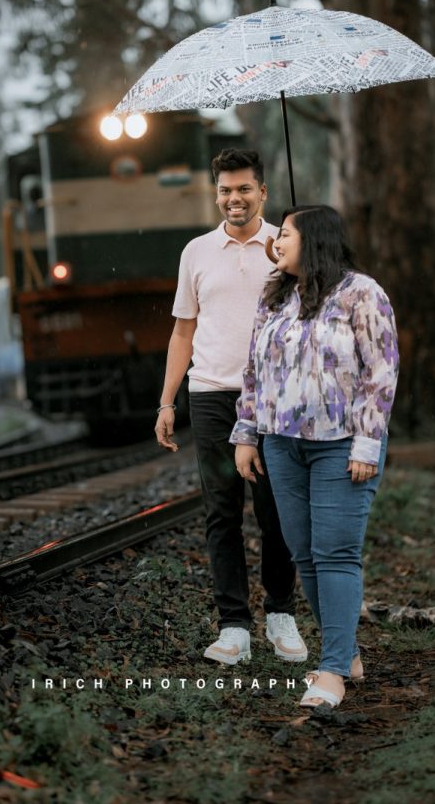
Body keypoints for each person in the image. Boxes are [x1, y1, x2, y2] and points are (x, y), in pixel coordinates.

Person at [232, 205, 399, 707]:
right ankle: (343, 652)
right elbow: (254, 369)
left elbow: (381, 371)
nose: (275, 242)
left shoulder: (361, 293)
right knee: (303, 553)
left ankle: (331, 672)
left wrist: (367, 444)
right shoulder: (275, 293)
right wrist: (246, 432)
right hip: (281, 443)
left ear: (315, 240)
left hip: (341, 445)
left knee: (336, 554)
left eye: (284, 234)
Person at [155, 148, 305, 665]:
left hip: (274, 397)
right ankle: (234, 625)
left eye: (244, 189)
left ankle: (281, 615)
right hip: (213, 394)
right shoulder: (196, 252)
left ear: (262, 192)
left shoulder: (286, 246)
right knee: (222, 511)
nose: (233, 199)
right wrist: (166, 400)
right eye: (224, 190)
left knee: (276, 509)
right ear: (215, 194)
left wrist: (299, 260)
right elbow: (182, 329)